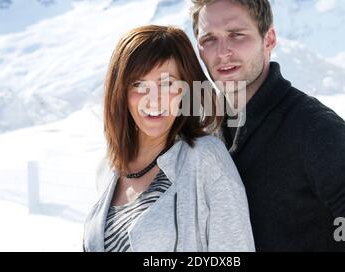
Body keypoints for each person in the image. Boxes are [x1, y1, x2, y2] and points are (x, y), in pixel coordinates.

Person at [190, 0, 345, 252]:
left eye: (237, 35)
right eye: (209, 39)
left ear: (269, 39)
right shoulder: (207, 126)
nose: (222, 51)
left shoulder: (313, 128)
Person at [82, 25, 255, 252]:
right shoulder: (107, 169)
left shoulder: (205, 157)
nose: (154, 99)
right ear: (121, 92)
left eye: (167, 84)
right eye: (138, 84)